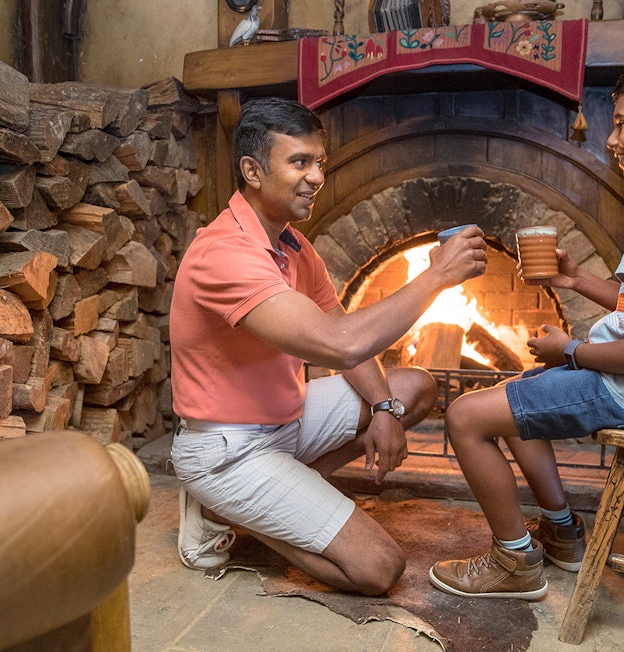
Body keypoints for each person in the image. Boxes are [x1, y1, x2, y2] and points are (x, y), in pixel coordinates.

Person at [428, 57, 624, 599]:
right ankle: (565, 536)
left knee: (464, 415)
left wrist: (568, 350)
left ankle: (513, 563)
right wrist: (577, 282)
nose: (612, 138)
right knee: (515, 398)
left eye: (621, 122)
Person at [168, 97, 487, 596]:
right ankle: (225, 509)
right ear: (252, 170)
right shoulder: (224, 252)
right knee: (378, 568)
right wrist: (438, 276)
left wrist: (384, 408)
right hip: (227, 447)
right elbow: (339, 344)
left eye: (320, 162)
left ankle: (272, 496)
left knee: (413, 389)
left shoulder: (293, 244)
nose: (317, 176)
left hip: (287, 424)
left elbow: (341, 324)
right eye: (299, 162)